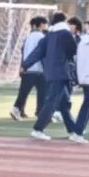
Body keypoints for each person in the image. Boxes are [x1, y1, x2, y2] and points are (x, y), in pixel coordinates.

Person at [21, 12, 76, 141]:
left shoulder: (49, 35)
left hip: (50, 72)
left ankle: (74, 130)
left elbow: (38, 51)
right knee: (52, 101)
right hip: (61, 73)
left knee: (64, 103)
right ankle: (38, 129)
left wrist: (25, 64)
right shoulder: (66, 33)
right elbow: (73, 51)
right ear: (64, 21)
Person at [10, 16, 48, 121]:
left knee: (23, 92)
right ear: (41, 25)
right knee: (43, 93)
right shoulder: (42, 37)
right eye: (45, 24)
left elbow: (23, 53)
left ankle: (17, 109)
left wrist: (22, 66)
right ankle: (40, 112)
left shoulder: (28, 37)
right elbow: (42, 53)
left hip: (27, 69)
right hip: (39, 69)